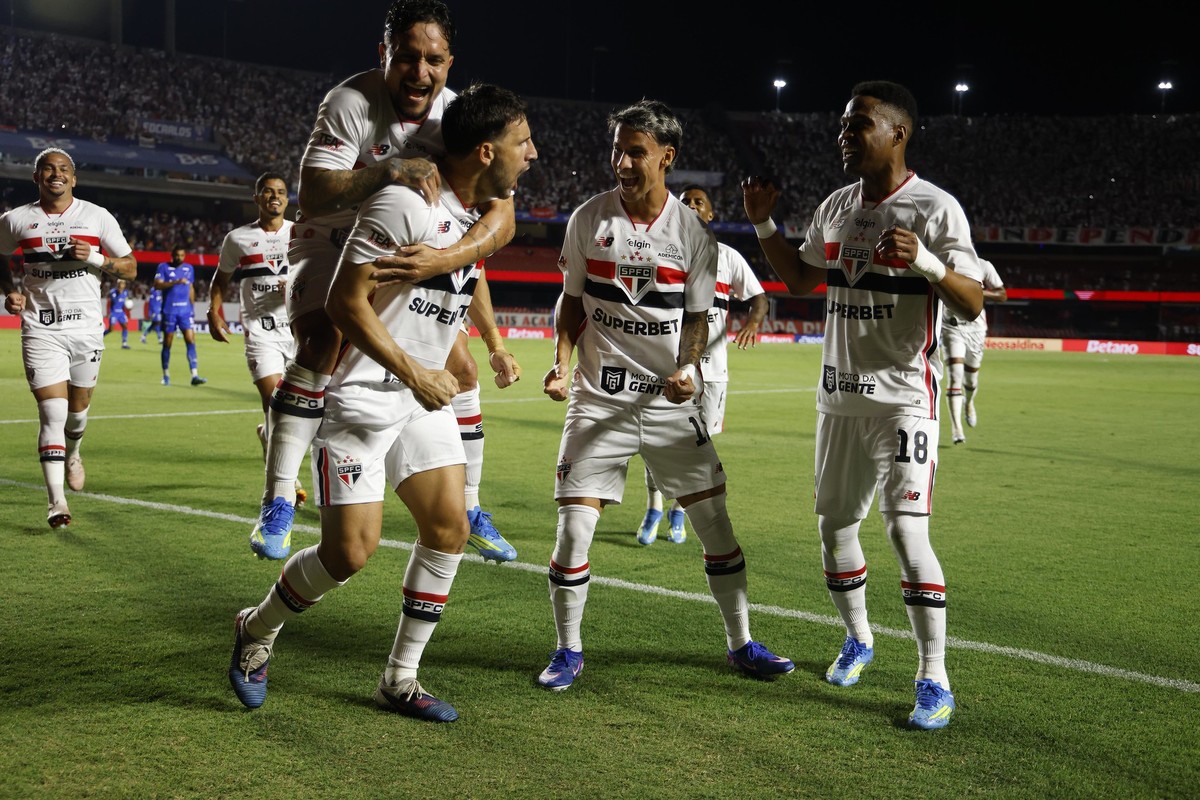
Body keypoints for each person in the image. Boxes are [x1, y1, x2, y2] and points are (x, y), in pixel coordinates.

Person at [228, 82, 535, 723]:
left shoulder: (478, 213)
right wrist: (415, 370)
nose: (531, 154)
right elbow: (344, 302)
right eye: (522, 143)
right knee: (349, 555)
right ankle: (256, 629)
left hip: (420, 401)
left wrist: (468, 337)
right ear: (485, 151)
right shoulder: (402, 203)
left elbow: (481, 255)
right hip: (364, 395)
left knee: (448, 528)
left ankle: (399, 680)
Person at [742, 80, 985, 730]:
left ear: (899, 133)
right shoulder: (836, 205)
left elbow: (972, 302)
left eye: (860, 125)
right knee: (834, 529)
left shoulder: (936, 210)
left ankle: (934, 677)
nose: (844, 135)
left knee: (907, 532)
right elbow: (798, 279)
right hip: (839, 400)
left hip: (906, 398)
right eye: (844, 125)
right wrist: (764, 221)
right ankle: (859, 638)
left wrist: (929, 263)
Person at [538, 99, 793, 691]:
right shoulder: (588, 220)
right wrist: (559, 363)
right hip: (599, 398)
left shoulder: (693, 236)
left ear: (667, 158)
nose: (621, 162)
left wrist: (687, 367)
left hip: (669, 403)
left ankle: (741, 643)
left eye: (636, 152)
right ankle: (568, 650)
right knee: (574, 530)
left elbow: (698, 318)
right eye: (618, 150)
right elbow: (572, 303)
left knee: (716, 527)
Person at [251, 0, 519, 563]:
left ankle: (469, 507)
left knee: (463, 367)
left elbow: (503, 217)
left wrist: (442, 260)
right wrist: (385, 171)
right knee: (326, 337)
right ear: (385, 54)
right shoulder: (351, 101)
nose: (420, 72)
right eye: (407, 58)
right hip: (329, 239)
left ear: (451, 61)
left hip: (405, 249)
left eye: (434, 60)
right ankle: (278, 498)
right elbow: (312, 194)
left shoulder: (458, 114)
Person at [0, 147, 137, 527]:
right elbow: (0, 257)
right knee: (52, 413)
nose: (55, 174)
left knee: (76, 415)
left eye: (63, 169)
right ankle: (56, 502)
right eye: (48, 169)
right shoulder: (16, 220)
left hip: (86, 330)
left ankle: (74, 451)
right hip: (41, 329)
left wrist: (95, 258)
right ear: (36, 177)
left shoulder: (96, 216)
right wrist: (9, 290)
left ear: (73, 179)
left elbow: (130, 268)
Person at [637, 184, 769, 546]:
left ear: (711, 214)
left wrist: (753, 323)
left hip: (712, 373)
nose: (693, 206)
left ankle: (678, 513)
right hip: (667, 366)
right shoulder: (660, 252)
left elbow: (758, 297)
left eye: (700, 202)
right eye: (685, 202)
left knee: (698, 445)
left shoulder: (727, 256)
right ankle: (653, 508)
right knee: (656, 442)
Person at [207, 172, 306, 505]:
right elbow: (220, 281)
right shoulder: (238, 239)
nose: (274, 197)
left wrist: (294, 287)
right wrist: (214, 311)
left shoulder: (299, 233)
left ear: (286, 199)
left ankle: (268, 437)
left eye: (280, 192)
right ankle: (285, 483)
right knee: (276, 400)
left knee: (293, 406)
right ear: (257, 198)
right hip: (260, 332)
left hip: (297, 330)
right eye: (267, 192)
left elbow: (320, 275)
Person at [943, 257, 1006, 444]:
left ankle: (968, 403)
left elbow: (1002, 295)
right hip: (951, 327)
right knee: (954, 375)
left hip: (975, 329)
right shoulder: (943, 262)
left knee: (971, 379)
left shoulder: (984, 265)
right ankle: (957, 430)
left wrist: (975, 293)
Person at [154, 245, 206, 386]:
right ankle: (166, 375)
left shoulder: (189, 268)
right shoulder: (163, 267)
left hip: (185, 312)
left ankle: (194, 375)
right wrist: (175, 282)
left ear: (185, 256)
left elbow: (190, 288)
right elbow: (157, 285)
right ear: (172, 255)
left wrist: (192, 306)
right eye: (177, 255)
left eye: (182, 255)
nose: (179, 258)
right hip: (169, 311)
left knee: (190, 340)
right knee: (167, 343)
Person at [104, 278, 133, 349]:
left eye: (124, 283)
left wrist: (128, 307)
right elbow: (114, 300)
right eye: (121, 283)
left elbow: (124, 303)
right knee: (111, 329)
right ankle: (101, 336)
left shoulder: (125, 292)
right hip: (114, 312)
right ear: (118, 284)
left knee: (125, 326)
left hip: (121, 312)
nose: (123, 284)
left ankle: (124, 343)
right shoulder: (113, 292)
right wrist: (119, 292)